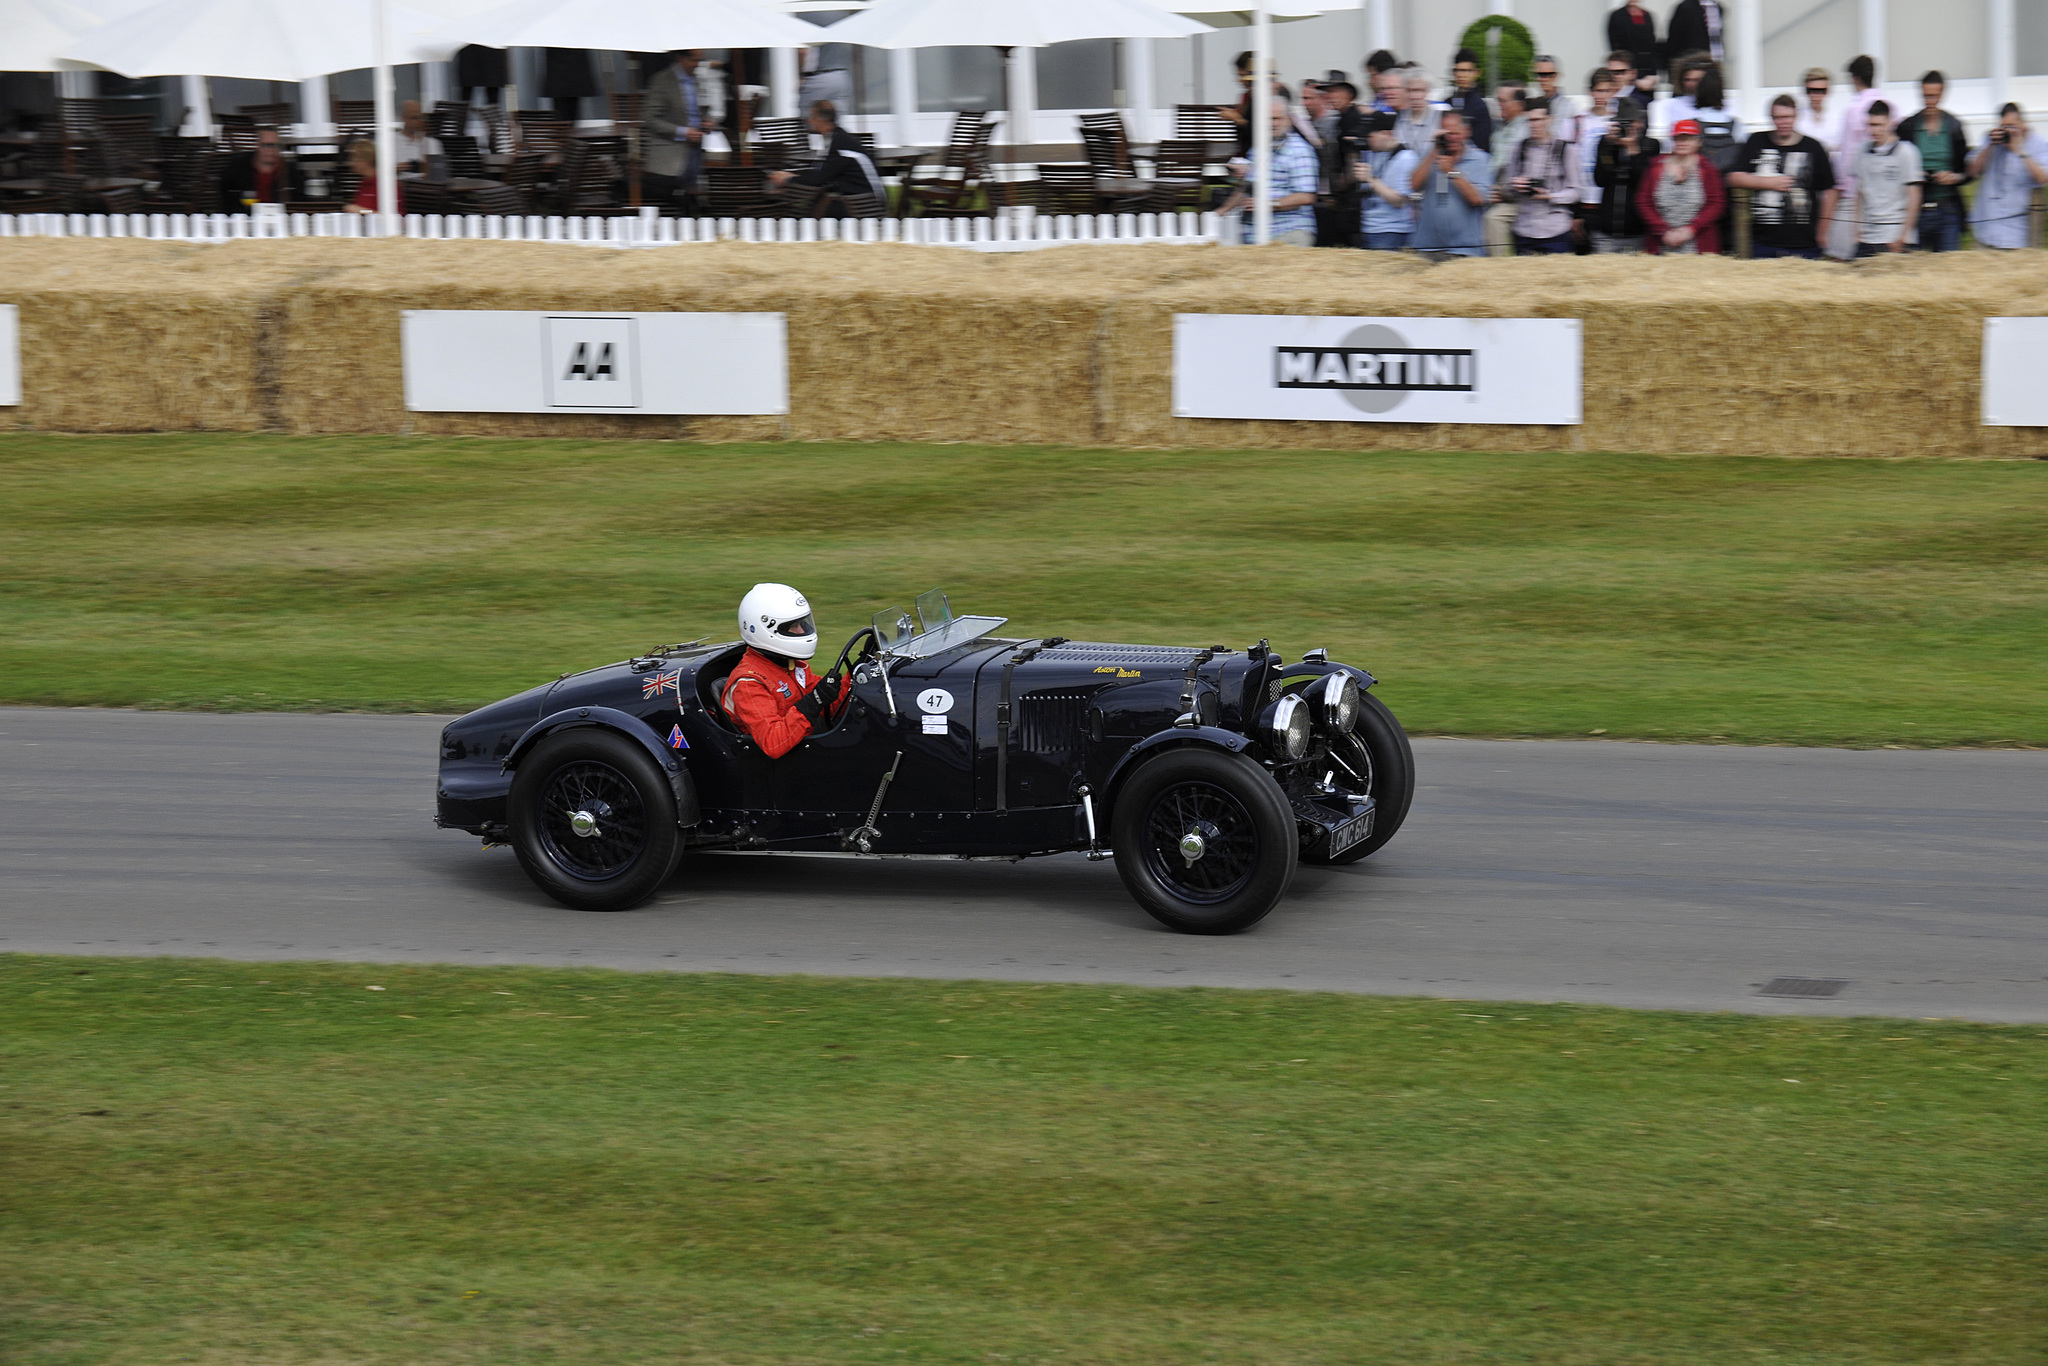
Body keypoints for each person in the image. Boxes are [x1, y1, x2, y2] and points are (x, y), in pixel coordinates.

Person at [721, 583, 851, 759]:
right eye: (793, 626)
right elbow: (773, 743)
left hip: (810, 749)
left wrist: (858, 672)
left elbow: (831, 706)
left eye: (802, 623)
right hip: (782, 767)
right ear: (766, 630)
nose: (802, 630)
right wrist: (813, 701)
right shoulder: (749, 685)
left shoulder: (791, 665)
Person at [1726, 94, 1837, 258]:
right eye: (1778, 118)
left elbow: (1830, 191)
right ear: (1771, 118)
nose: (1783, 122)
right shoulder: (1757, 141)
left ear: (1796, 116)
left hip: (1804, 242)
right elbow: (1733, 178)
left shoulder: (1813, 147)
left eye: (1787, 117)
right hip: (1763, 241)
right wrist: (1767, 183)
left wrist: (1823, 232)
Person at [1220, 96, 1320, 246]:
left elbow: (1306, 197)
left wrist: (1268, 204)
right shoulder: (1259, 148)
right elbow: (1246, 187)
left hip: (1289, 232)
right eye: (1268, 119)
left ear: (1289, 119)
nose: (1273, 123)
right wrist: (1223, 210)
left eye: (1277, 118)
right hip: (1256, 235)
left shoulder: (1299, 151)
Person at [1895, 72, 1971, 252]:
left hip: (1947, 208)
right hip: (1917, 208)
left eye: (1933, 96)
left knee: (1948, 265)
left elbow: (1967, 172)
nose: (1929, 101)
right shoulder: (1907, 127)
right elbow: (1896, 164)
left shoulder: (1954, 126)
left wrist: (1953, 177)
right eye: (1925, 96)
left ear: (1942, 95)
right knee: (1915, 266)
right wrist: (1915, 176)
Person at [766, 102, 885, 215]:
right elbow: (822, 174)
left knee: (810, 210)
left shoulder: (838, 146)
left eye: (812, 117)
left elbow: (819, 179)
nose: (809, 120)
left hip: (864, 205)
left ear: (822, 121)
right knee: (815, 204)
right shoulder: (839, 138)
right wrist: (791, 177)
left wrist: (788, 180)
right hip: (865, 200)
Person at [1407, 108, 1492, 256]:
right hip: (1428, 245)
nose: (1450, 138)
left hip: (1465, 248)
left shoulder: (1480, 159)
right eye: (1446, 133)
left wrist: (1451, 171)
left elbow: (1478, 199)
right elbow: (1413, 185)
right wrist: (1434, 150)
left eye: (1455, 133)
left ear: (1467, 132)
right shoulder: (1431, 154)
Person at [1502, 98, 1583, 254]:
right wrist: (1515, 185)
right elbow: (1506, 189)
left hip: (1555, 229)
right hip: (1524, 228)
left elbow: (1577, 192)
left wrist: (1550, 196)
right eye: (1530, 120)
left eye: (1538, 119)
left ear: (1549, 119)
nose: (1534, 125)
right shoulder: (1517, 148)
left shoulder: (1566, 149)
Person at [1827, 54, 1887, 259]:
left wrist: (1840, 186)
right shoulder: (1889, 107)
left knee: (1842, 253)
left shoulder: (1852, 111)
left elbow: (1846, 156)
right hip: (1885, 193)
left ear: (1855, 79)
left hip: (1855, 191)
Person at [1637, 118, 1725, 254]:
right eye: (1678, 139)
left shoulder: (1707, 169)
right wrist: (1662, 231)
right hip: (1662, 245)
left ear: (1698, 142)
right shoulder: (1655, 168)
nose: (1683, 143)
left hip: (1699, 246)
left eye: (1688, 139)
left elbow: (1716, 203)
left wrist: (1692, 229)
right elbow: (1644, 202)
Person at [1968, 104, 2048, 250]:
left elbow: (2042, 178)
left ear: (2022, 125)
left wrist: (2018, 149)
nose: (2007, 131)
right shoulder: (1991, 140)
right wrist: (1990, 145)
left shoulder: (2038, 144)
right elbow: (1972, 171)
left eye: (2011, 126)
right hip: (1985, 231)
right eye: (2003, 126)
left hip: (2016, 236)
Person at [645, 50, 717, 207]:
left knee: (691, 197)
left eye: (700, 60)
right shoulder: (662, 81)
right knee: (673, 203)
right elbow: (650, 119)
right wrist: (683, 132)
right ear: (680, 58)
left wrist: (707, 121)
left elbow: (699, 111)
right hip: (669, 156)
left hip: (695, 150)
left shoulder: (697, 80)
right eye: (694, 60)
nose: (697, 65)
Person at [1854, 101, 1922, 256]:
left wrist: (1904, 235)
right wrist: (1857, 229)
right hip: (1868, 236)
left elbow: (1914, 196)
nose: (1874, 130)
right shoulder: (1862, 151)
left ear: (1891, 123)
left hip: (1894, 235)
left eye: (1879, 125)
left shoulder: (1906, 152)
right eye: (1871, 125)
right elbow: (1860, 193)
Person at [1589, 102, 1658, 252]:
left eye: (1632, 122)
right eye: (1624, 122)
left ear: (1641, 123)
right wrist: (1609, 147)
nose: (1629, 127)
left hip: (1636, 231)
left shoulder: (1650, 145)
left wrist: (1633, 150)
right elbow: (1600, 179)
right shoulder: (1607, 143)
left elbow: (1645, 183)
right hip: (1607, 229)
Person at [1356, 112, 1418, 249]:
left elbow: (1398, 201)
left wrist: (1370, 179)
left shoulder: (1406, 158)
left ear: (1386, 134)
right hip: (1370, 228)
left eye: (1370, 136)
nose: (1367, 140)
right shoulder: (1376, 154)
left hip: (1391, 231)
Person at [1484, 82, 1528, 255]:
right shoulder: (1500, 128)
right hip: (1497, 186)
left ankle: (1501, 268)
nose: (1499, 105)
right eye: (1497, 100)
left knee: (1493, 219)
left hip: (1518, 194)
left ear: (1519, 105)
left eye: (1503, 101)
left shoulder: (1526, 130)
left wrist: (1503, 191)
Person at [217, 126, 305, 212]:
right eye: (266, 145)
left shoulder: (290, 171)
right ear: (256, 145)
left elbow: (299, 203)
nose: (272, 150)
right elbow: (226, 199)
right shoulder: (238, 168)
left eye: (276, 145)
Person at [1445, 48, 1492, 153]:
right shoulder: (1446, 103)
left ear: (1477, 73)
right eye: (1458, 70)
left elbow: (1482, 145)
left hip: (1470, 162)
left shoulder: (1480, 107)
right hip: (1446, 159)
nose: (1462, 75)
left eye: (1468, 71)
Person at [1606, 5, 1660, 92]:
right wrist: (1633, 79)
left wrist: (1653, 74)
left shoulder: (1646, 15)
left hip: (1647, 74)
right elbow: (1617, 48)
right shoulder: (1618, 16)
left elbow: (1652, 46)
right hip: (1628, 73)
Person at [342, 139, 402, 215]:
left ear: (365, 161)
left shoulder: (386, 184)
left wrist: (362, 211)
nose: (351, 163)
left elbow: (390, 216)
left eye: (354, 159)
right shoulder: (364, 184)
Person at [1665, 0, 1726, 68]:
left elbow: (1717, 38)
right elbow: (1675, 39)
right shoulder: (1685, 8)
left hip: (1712, 61)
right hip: (1691, 60)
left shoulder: (1717, 8)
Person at [392, 100, 443, 180]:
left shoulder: (433, 143)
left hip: (427, 187)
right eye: (413, 118)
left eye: (420, 117)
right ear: (403, 117)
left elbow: (438, 172)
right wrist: (394, 170)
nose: (417, 122)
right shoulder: (389, 141)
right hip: (401, 185)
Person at [1393, 69, 1438, 159]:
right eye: (1410, 91)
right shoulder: (1400, 118)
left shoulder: (1439, 117)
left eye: (1420, 90)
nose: (1415, 96)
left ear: (1428, 91)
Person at [1797, 67, 1834, 148]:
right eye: (1812, 91)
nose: (1816, 96)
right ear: (1806, 91)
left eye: (1821, 91)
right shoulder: (1797, 119)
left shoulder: (1838, 119)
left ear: (1827, 92)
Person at [1531, 56, 1574, 124]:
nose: (1541, 79)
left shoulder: (1567, 105)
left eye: (1547, 75)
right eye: (1538, 75)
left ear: (1556, 76)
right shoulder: (1534, 104)